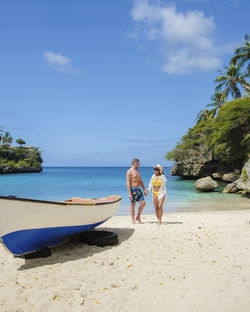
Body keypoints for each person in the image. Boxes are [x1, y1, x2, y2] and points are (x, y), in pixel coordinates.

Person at [126, 159, 147, 224]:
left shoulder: (137, 171)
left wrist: (144, 189)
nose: (139, 165)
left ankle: (138, 217)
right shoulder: (129, 171)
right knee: (133, 205)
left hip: (139, 189)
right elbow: (128, 183)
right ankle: (133, 219)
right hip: (133, 190)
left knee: (143, 203)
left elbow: (140, 181)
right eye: (138, 164)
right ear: (135, 163)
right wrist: (130, 193)